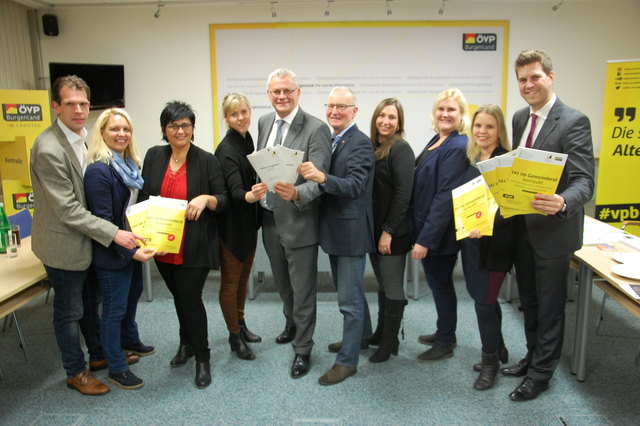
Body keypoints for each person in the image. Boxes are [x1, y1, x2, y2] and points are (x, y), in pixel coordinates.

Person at [30, 75, 142, 395]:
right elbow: (69, 210)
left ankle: (98, 356)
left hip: (89, 242)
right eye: (70, 104)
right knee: (70, 311)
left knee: (91, 304)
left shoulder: (84, 138)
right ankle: (75, 371)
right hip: (63, 245)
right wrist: (116, 234)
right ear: (56, 106)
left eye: (83, 104)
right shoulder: (49, 148)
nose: (78, 110)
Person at [501, 49, 594, 402]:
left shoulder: (573, 121)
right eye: (522, 79)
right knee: (529, 301)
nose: (528, 85)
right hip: (523, 228)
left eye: (535, 77)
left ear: (550, 77)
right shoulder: (519, 118)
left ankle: (541, 374)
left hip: (554, 231)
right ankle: (532, 356)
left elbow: (585, 181)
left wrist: (564, 201)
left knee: (551, 304)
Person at [140, 101, 228, 389]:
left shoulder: (206, 160)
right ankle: (185, 344)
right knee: (179, 297)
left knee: (190, 300)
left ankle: (203, 359)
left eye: (186, 125)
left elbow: (223, 199)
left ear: (192, 128)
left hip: (193, 244)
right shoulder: (154, 156)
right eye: (174, 125)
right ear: (165, 130)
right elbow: (144, 196)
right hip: (162, 245)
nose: (180, 130)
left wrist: (205, 199)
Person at [257, 68, 332, 379]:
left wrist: (296, 192)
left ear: (298, 93)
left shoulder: (316, 129)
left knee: (303, 290)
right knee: (283, 285)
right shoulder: (263, 122)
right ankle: (291, 323)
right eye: (276, 91)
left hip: (299, 220)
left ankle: (303, 349)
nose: (282, 96)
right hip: (269, 217)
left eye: (287, 91)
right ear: (269, 95)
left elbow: (319, 180)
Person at [299, 86, 375, 385]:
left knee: (348, 301)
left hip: (351, 233)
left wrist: (322, 178)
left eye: (341, 107)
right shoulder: (333, 138)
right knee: (352, 292)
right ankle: (363, 337)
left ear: (354, 111)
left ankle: (347, 362)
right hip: (334, 229)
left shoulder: (360, 143)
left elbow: (355, 185)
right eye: (330, 106)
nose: (334, 112)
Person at [84, 108, 158, 389]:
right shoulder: (99, 171)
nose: (121, 134)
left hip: (131, 244)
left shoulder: (127, 166)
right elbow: (103, 222)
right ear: (101, 133)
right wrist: (130, 251)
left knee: (131, 299)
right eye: (114, 129)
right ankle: (116, 366)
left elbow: (131, 209)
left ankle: (130, 340)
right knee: (113, 311)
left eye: (125, 129)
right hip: (111, 253)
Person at [458, 104, 515, 390]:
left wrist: (488, 224)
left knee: (484, 303)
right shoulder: (471, 159)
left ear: (499, 130)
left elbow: (512, 208)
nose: (482, 131)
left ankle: (490, 363)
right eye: (478, 126)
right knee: (485, 300)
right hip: (472, 245)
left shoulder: (506, 162)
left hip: (496, 248)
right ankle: (500, 349)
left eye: (489, 126)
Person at [411, 88, 470, 362]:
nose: (445, 114)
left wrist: (425, 239)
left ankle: (445, 341)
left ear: (461, 115)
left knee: (442, 285)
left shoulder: (457, 147)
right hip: (427, 227)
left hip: (440, 234)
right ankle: (444, 330)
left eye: (452, 110)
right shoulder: (439, 139)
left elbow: (444, 196)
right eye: (441, 109)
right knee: (438, 285)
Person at [214, 93, 267, 361]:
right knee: (230, 284)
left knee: (244, 279)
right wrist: (252, 195)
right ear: (226, 118)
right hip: (231, 227)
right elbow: (235, 192)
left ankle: (241, 325)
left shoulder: (247, 140)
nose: (241, 117)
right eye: (234, 114)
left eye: (244, 112)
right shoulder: (226, 150)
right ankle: (234, 336)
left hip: (248, 223)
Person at [367, 98, 414, 363]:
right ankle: (380, 332)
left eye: (392, 117)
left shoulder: (401, 149)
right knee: (383, 285)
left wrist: (388, 231)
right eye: (382, 116)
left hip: (393, 233)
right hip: (376, 232)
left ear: (399, 123)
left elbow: (402, 195)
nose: (386, 121)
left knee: (393, 287)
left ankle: (390, 342)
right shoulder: (375, 147)